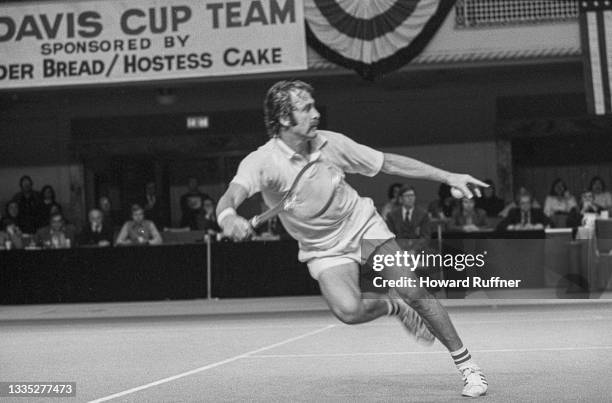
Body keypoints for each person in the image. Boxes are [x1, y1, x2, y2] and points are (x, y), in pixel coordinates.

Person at [216, 80, 489, 397]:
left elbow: (388, 162)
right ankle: (394, 309)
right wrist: (229, 218)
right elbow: (230, 196)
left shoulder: (330, 144)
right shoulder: (262, 162)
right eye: (306, 109)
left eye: (314, 106)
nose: (316, 113)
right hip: (323, 247)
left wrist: (448, 176)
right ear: (284, 118)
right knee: (349, 311)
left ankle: (468, 367)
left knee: (414, 289)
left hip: (361, 226)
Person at [385, 186, 431, 252]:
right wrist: (399, 250)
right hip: (397, 250)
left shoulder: (423, 215)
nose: (410, 198)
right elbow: (390, 236)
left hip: (418, 251)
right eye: (407, 196)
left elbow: (425, 237)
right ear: (401, 198)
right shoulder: (392, 215)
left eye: (412, 195)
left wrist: (414, 250)